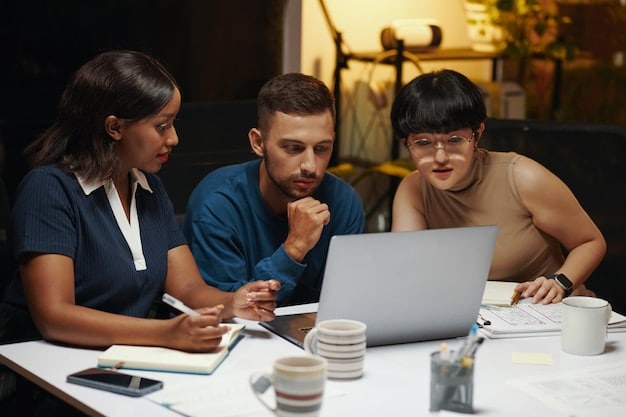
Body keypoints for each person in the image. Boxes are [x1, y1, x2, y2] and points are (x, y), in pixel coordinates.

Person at [0, 50, 280, 355]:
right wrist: (166, 333)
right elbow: (54, 317)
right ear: (115, 127)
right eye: (162, 125)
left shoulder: (149, 187)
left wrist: (232, 302)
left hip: (118, 358)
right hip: (41, 370)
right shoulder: (50, 189)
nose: (173, 138)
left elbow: (187, 289)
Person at [390, 69, 606, 304]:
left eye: (454, 140)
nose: (440, 157)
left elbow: (590, 242)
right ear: (407, 143)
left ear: (478, 133)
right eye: (423, 143)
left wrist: (559, 282)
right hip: (475, 314)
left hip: (545, 310)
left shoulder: (523, 178)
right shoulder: (413, 190)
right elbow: (407, 268)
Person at [182, 73, 365, 306]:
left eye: (321, 148)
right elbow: (231, 312)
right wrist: (295, 248)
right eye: (292, 148)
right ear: (258, 143)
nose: (310, 166)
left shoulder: (343, 201)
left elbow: (347, 302)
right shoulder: (217, 204)